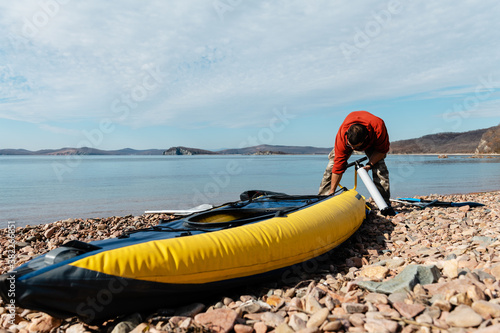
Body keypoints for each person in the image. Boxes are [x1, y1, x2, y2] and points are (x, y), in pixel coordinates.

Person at [318, 111, 391, 205]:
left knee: (380, 168)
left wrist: (369, 165)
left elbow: (381, 151)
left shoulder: (378, 129)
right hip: (347, 139)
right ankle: (324, 197)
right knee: (331, 166)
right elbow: (338, 166)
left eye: (355, 147)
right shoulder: (343, 134)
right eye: (350, 146)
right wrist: (332, 190)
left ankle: (383, 202)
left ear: (365, 139)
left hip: (373, 141)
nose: (352, 149)